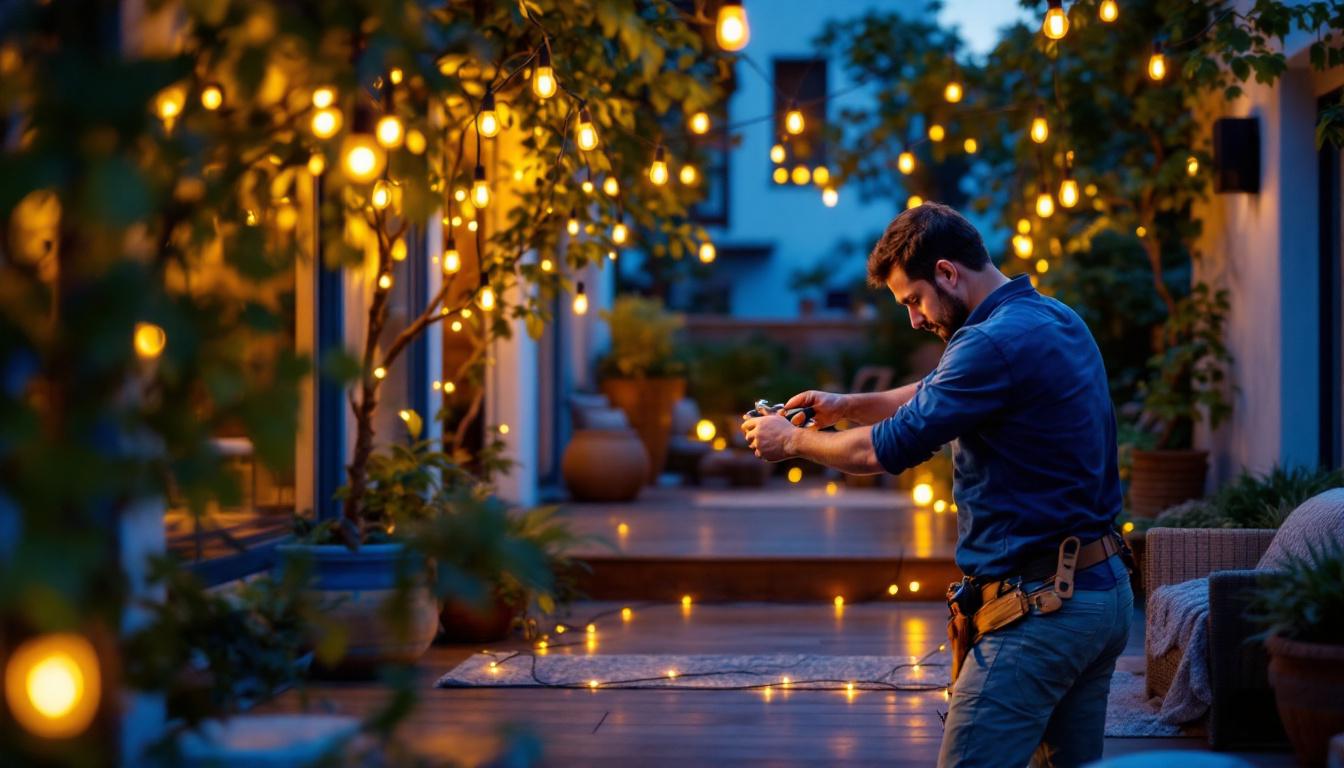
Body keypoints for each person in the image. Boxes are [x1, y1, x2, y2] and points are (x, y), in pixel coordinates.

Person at [742, 202, 1132, 768]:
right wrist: (845, 406)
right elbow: (937, 386)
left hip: (1041, 612)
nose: (915, 320)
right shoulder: (1053, 317)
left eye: (913, 300)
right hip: (1102, 596)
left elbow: (883, 450)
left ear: (948, 272)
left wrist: (791, 442)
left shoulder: (989, 344)